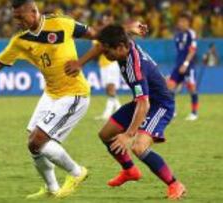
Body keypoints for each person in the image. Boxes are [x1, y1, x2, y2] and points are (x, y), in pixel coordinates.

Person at [0, 0, 94, 198]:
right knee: (33, 144)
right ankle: (52, 189)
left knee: (39, 141)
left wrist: (82, 61)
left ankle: (77, 172)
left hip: (74, 93)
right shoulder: (20, 40)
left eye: (20, 17)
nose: (17, 21)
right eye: (14, 17)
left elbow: (97, 35)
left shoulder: (61, 23)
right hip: (51, 93)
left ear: (33, 11)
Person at [65, 25, 186, 200]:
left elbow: (144, 104)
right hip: (143, 101)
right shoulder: (122, 41)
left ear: (121, 47)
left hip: (158, 105)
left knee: (138, 146)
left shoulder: (134, 68)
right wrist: (79, 63)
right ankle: (130, 170)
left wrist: (128, 134)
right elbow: (102, 44)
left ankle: (175, 184)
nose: (106, 55)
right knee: (106, 134)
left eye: (109, 52)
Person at [167, 12, 199, 121]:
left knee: (192, 89)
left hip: (188, 66)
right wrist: (180, 64)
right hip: (178, 65)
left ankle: (194, 113)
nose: (180, 23)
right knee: (170, 87)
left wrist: (185, 64)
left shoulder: (191, 34)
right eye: (180, 21)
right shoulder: (177, 35)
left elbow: (192, 50)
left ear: (188, 23)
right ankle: (172, 111)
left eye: (183, 21)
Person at [93, 11, 121, 120]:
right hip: (103, 64)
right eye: (105, 19)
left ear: (112, 20)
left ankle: (108, 113)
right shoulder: (100, 33)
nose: (107, 21)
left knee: (111, 87)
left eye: (109, 19)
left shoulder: (115, 33)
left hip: (112, 63)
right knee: (108, 89)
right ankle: (117, 108)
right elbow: (96, 48)